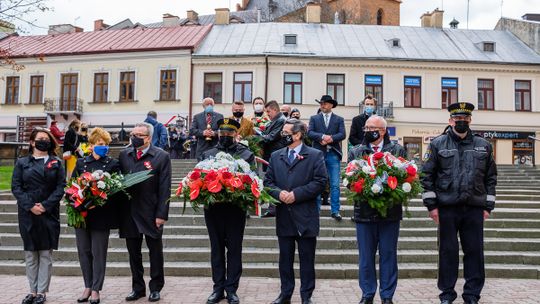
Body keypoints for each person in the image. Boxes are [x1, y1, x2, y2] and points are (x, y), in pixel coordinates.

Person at [421, 102, 497, 304]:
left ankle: (472, 294)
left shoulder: (484, 145)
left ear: (470, 120)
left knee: (474, 252)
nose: (461, 122)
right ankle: (447, 294)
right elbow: (426, 175)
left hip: (474, 207)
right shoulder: (438, 144)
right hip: (447, 208)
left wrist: (488, 206)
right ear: (450, 120)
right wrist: (432, 206)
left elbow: (491, 178)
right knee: (448, 252)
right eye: (457, 119)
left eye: (465, 118)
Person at [264, 119, 328, 304]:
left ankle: (306, 295)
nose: (282, 135)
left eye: (286, 132)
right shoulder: (276, 156)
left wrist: (296, 194)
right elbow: (268, 182)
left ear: (298, 134)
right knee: (285, 259)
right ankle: (285, 294)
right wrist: (279, 193)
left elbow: (320, 182)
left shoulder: (315, 155)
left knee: (307, 260)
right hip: (284, 215)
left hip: (306, 216)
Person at [348, 116, 406, 304]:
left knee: (388, 255)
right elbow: (349, 179)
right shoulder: (357, 151)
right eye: (366, 128)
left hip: (390, 213)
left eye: (371, 128)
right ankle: (367, 293)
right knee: (366, 256)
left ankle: (387, 295)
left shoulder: (396, 150)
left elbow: (405, 178)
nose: (367, 131)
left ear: (382, 131)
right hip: (364, 212)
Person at [200, 118, 255, 304]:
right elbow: (198, 179)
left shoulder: (246, 155)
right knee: (216, 249)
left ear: (236, 135)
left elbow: (253, 180)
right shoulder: (207, 154)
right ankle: (218, 289)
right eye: (222, 133)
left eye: (229, 133)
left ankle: (232, 289)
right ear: (217, 133)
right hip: (213, 209)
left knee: (234, 249)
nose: (225, 136)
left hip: (235, 210)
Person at [118, 122, 172, 302]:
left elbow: (165, 187)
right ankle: (137, 288)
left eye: (138, 134)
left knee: (155, 252)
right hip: (129, 212)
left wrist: (161, 214)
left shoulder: (161, 156)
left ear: (148, 137)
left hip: (151, 212)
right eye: (133, 133)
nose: (134, 137)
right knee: (133, 253)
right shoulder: (124, 154)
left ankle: (156, 287)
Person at [11, 128, 65, 304]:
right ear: (32, 142)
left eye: (47, 139)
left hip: (48, 213)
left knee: (45, 254)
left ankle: (42, 292)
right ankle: (32, 291)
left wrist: (45, 205)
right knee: (30, 254)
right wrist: (30, 206)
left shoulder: (56, 162)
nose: (44, 141)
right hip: (28, 213)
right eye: (40, 139)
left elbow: (60, 187)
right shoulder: (22, 162)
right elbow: (16, 187)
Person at [74, 128, 120, 304]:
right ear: (91, 145)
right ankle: (87, 285)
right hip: (82, 214)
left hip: (102, 214)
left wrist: (100, 197)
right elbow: (72, 185)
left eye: (106, 144)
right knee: (84, 252)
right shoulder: (81, 163)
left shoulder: (112, 164)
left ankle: (96, 289)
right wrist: (78, 201)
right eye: (100, 144)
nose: (104, 147)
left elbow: (117, 189)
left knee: (98, 253)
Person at [307, 95, 346, 221]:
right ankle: (316, 210)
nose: (322, 105)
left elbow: (342, 134)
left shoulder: (339, 119)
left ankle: (335, 211)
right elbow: (310, 133)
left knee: (335, 184)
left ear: (331, 105)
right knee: (318, 182)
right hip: (318, 155)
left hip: (333, 154)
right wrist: (323, 137)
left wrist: (331, 139)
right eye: (321, 103)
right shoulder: (314, 118)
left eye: (325, 103)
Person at [259, 100, 287, 218]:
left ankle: (273, 208)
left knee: (274, 181)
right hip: (272, 155)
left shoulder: (281, 121)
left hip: (276, 155)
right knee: (271, 181)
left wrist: (256, 138)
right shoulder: (274, 121)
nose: (267, 114)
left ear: (275, 110)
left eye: (268, 111)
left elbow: (271, 137)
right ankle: (272, 208)